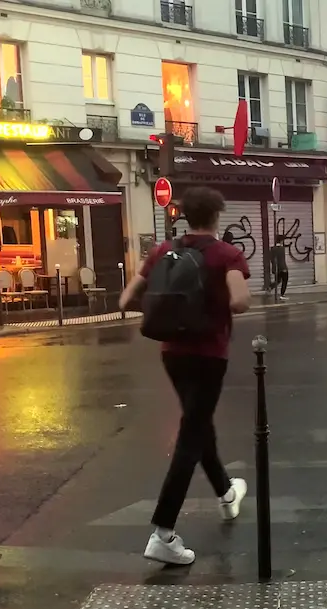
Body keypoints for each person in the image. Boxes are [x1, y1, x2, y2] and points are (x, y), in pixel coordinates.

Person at [119, 186, 252, 565]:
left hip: (171, 354)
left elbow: (126, 301)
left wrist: (172, 311)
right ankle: (163, 531)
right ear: (217, 216)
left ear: (184, 215)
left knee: (198, 423)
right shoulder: (226, 254)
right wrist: (213, 307)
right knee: (191, 435)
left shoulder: (163, 251)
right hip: (209, 354)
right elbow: (240, 301)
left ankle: (226, 494)